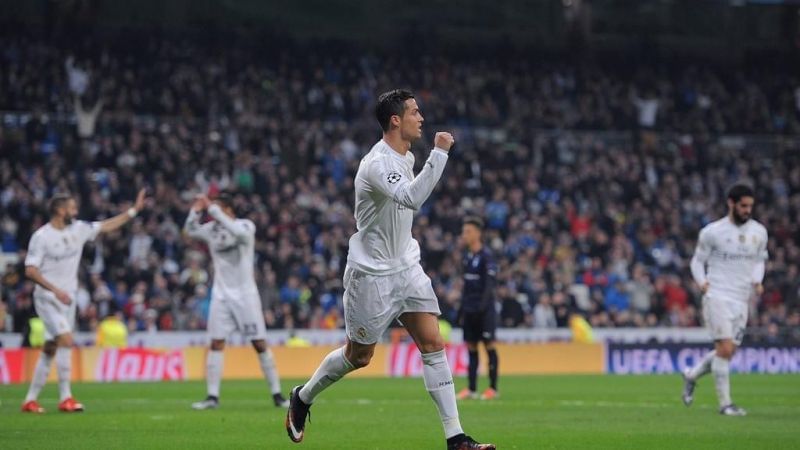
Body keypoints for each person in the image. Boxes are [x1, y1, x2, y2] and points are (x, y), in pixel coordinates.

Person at [285, 89, 495, 450]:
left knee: (433, 343)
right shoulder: (377, 164)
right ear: (395, 120)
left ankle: (456, 439)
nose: (421, 118)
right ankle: (303, 396)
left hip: (406, 266)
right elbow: (411, 198)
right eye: (414, 112)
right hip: (372, 274)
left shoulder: (406, 156)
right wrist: (440, 153)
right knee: (359, 356)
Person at [21, 190, 147, 413]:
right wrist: (55, 290)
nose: (76, 212)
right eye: (71, 208)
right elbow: (30, 270)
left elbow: (107, 225)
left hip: (67, 299)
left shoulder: (78, 229)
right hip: (48, 299)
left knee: (50, 347)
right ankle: (65, 397)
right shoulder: (42, 237)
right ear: (60, 211)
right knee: (67, 341)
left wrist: (133, 211)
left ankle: (30, 400)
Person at [184, 193, 289, 410]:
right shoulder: (213, 229)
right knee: (216, 344)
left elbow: (239, 233)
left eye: (220, 208)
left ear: (229, 210)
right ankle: (212, 397)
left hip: (245, 296)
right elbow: (190, 230)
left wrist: (212, 210)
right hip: (221, 296)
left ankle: (277, 395)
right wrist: (195, 211)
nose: (214, 213)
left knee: (259, 344)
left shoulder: (245, 226)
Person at [683, 184, 768, 416]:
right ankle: (725, 405)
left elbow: (760, 259)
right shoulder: (712, 232)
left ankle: (691, 375)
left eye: (750, 206)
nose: (747, 210)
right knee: (725, 347)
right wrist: (702, 282)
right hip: (718, 294)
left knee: (728, 352)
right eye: (743, 206)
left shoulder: (759, 232)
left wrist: (757, 280)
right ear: (731, 203)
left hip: (742, 298)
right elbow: (697, 262)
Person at [456, 217, 500, 401]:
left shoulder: (486, 256)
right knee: (471, 347)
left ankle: (492, 388)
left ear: (477, 234)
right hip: (469, 309)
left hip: (484, 310)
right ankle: (472, 388)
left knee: (489, 346)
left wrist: (482, 306)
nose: (464, 235)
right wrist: (461, 309)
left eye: (467, 231)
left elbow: (490, 285)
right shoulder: (467, 257)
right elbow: (466, 286)